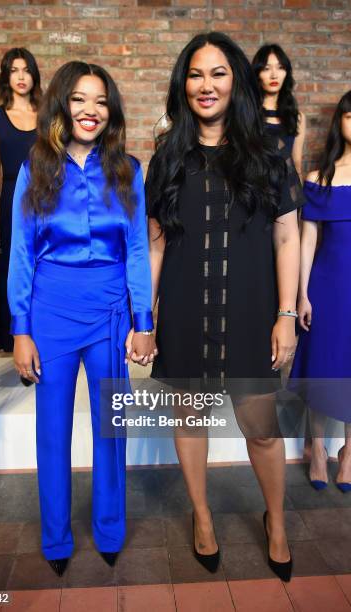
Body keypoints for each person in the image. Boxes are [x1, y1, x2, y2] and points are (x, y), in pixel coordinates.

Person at [147, 32, 303, 582]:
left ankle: (276, 521)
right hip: (187, 307)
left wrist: (286, 314)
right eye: (195, 74)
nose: (205, 85)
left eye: (217, 73)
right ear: (182, 84)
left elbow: (287, 238)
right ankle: (203, 516)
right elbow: (157, 242)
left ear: (235, 80)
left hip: (251, 308)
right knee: (189, 418)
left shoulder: (268, 154)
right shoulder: (168, 155)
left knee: (259, 426)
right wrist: (148, 317)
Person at [8, 61, 156, 576]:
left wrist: (145, 320)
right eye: (79, 100)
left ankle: (110, 530)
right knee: (52, 431)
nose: (90, 111)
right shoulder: (35, 168)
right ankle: (56, 539)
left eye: (100, 101)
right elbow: (22, 253)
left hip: (112, 312)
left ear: (110, 110)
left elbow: (136, 249)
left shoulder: (129, 170)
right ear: (61, 105)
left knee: (111, 428)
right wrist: (20, 328)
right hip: (50, 312)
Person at [289, 91, 351, 493]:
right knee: (324, 367)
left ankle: (349, 451)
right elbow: (305, 241)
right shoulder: (320, 180)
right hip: (328, 286)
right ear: (340, 123)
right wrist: (302, 295)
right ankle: (318, 449)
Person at [0, 48, 41, 352]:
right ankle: (14, 339)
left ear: (34, 75)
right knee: (12, 266)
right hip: (8, 200)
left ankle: (42, 333)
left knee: (41, 264)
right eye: (14, 70)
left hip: (42, 198)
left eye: (26, 70)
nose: (21, 76)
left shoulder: (46, 115)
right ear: (6, 76)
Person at [252, 44, 306, 179]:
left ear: (286, 73)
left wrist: (298, 198)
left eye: (280, 67)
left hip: (286, 191)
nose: (274, 75)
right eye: (266, 68)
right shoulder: (248, 113)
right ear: (257, 73)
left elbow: (297, 164)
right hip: (255, 190)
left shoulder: (297, 117)